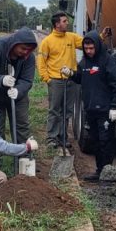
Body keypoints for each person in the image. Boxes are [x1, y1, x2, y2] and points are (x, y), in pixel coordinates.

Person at [68, 30, 116, 181]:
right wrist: (71, 74)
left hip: (105, 109)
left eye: (91, 48)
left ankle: (107, 173)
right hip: (90, 109)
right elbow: (81, 78)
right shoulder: (84, 62)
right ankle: (99, 171)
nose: (89, 51)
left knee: (106, 141)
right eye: (86, 48)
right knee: (96, 141)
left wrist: (115, 106)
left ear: (97, 46)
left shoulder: (108, 61)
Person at [0, 27, 38, 157]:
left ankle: (24, 158)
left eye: (29, 50)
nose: (25, 52)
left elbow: (27, 80)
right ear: (15, 44)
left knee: (21, 125)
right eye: (23, 48)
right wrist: (1, 79)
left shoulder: (29, 58)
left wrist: (18, 90)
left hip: (17, 95)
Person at [37, 12, 84, 147]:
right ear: (57, 24)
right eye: (64, 21)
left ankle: (63, 137)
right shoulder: (47, 41)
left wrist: (102, 37)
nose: (67, 23)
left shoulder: (72, 37)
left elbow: (87, 43)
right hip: (55, 81)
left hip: (71, 81)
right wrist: (47, 79)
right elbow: (41, 62)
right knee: (54, 110)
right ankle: (51, 138)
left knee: (67, 111)